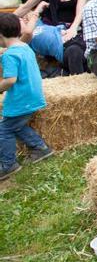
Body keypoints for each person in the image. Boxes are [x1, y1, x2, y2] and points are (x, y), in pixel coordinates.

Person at [14, 0, 89, 75]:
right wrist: (6, 20)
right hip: (50, 28)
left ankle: (74, 76)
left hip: (73, 27)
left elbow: (80, 11)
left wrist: (73, 29)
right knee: (72, 51)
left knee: (77, 50)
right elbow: (26, 7)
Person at [0, 13, 53, 181]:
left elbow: (10, 79)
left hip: (20, 100)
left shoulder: (9, 55)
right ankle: (41, 148)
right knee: (16, 126)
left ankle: (9, 165)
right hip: (33, 97)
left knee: (4, 130)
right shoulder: (25, 47)